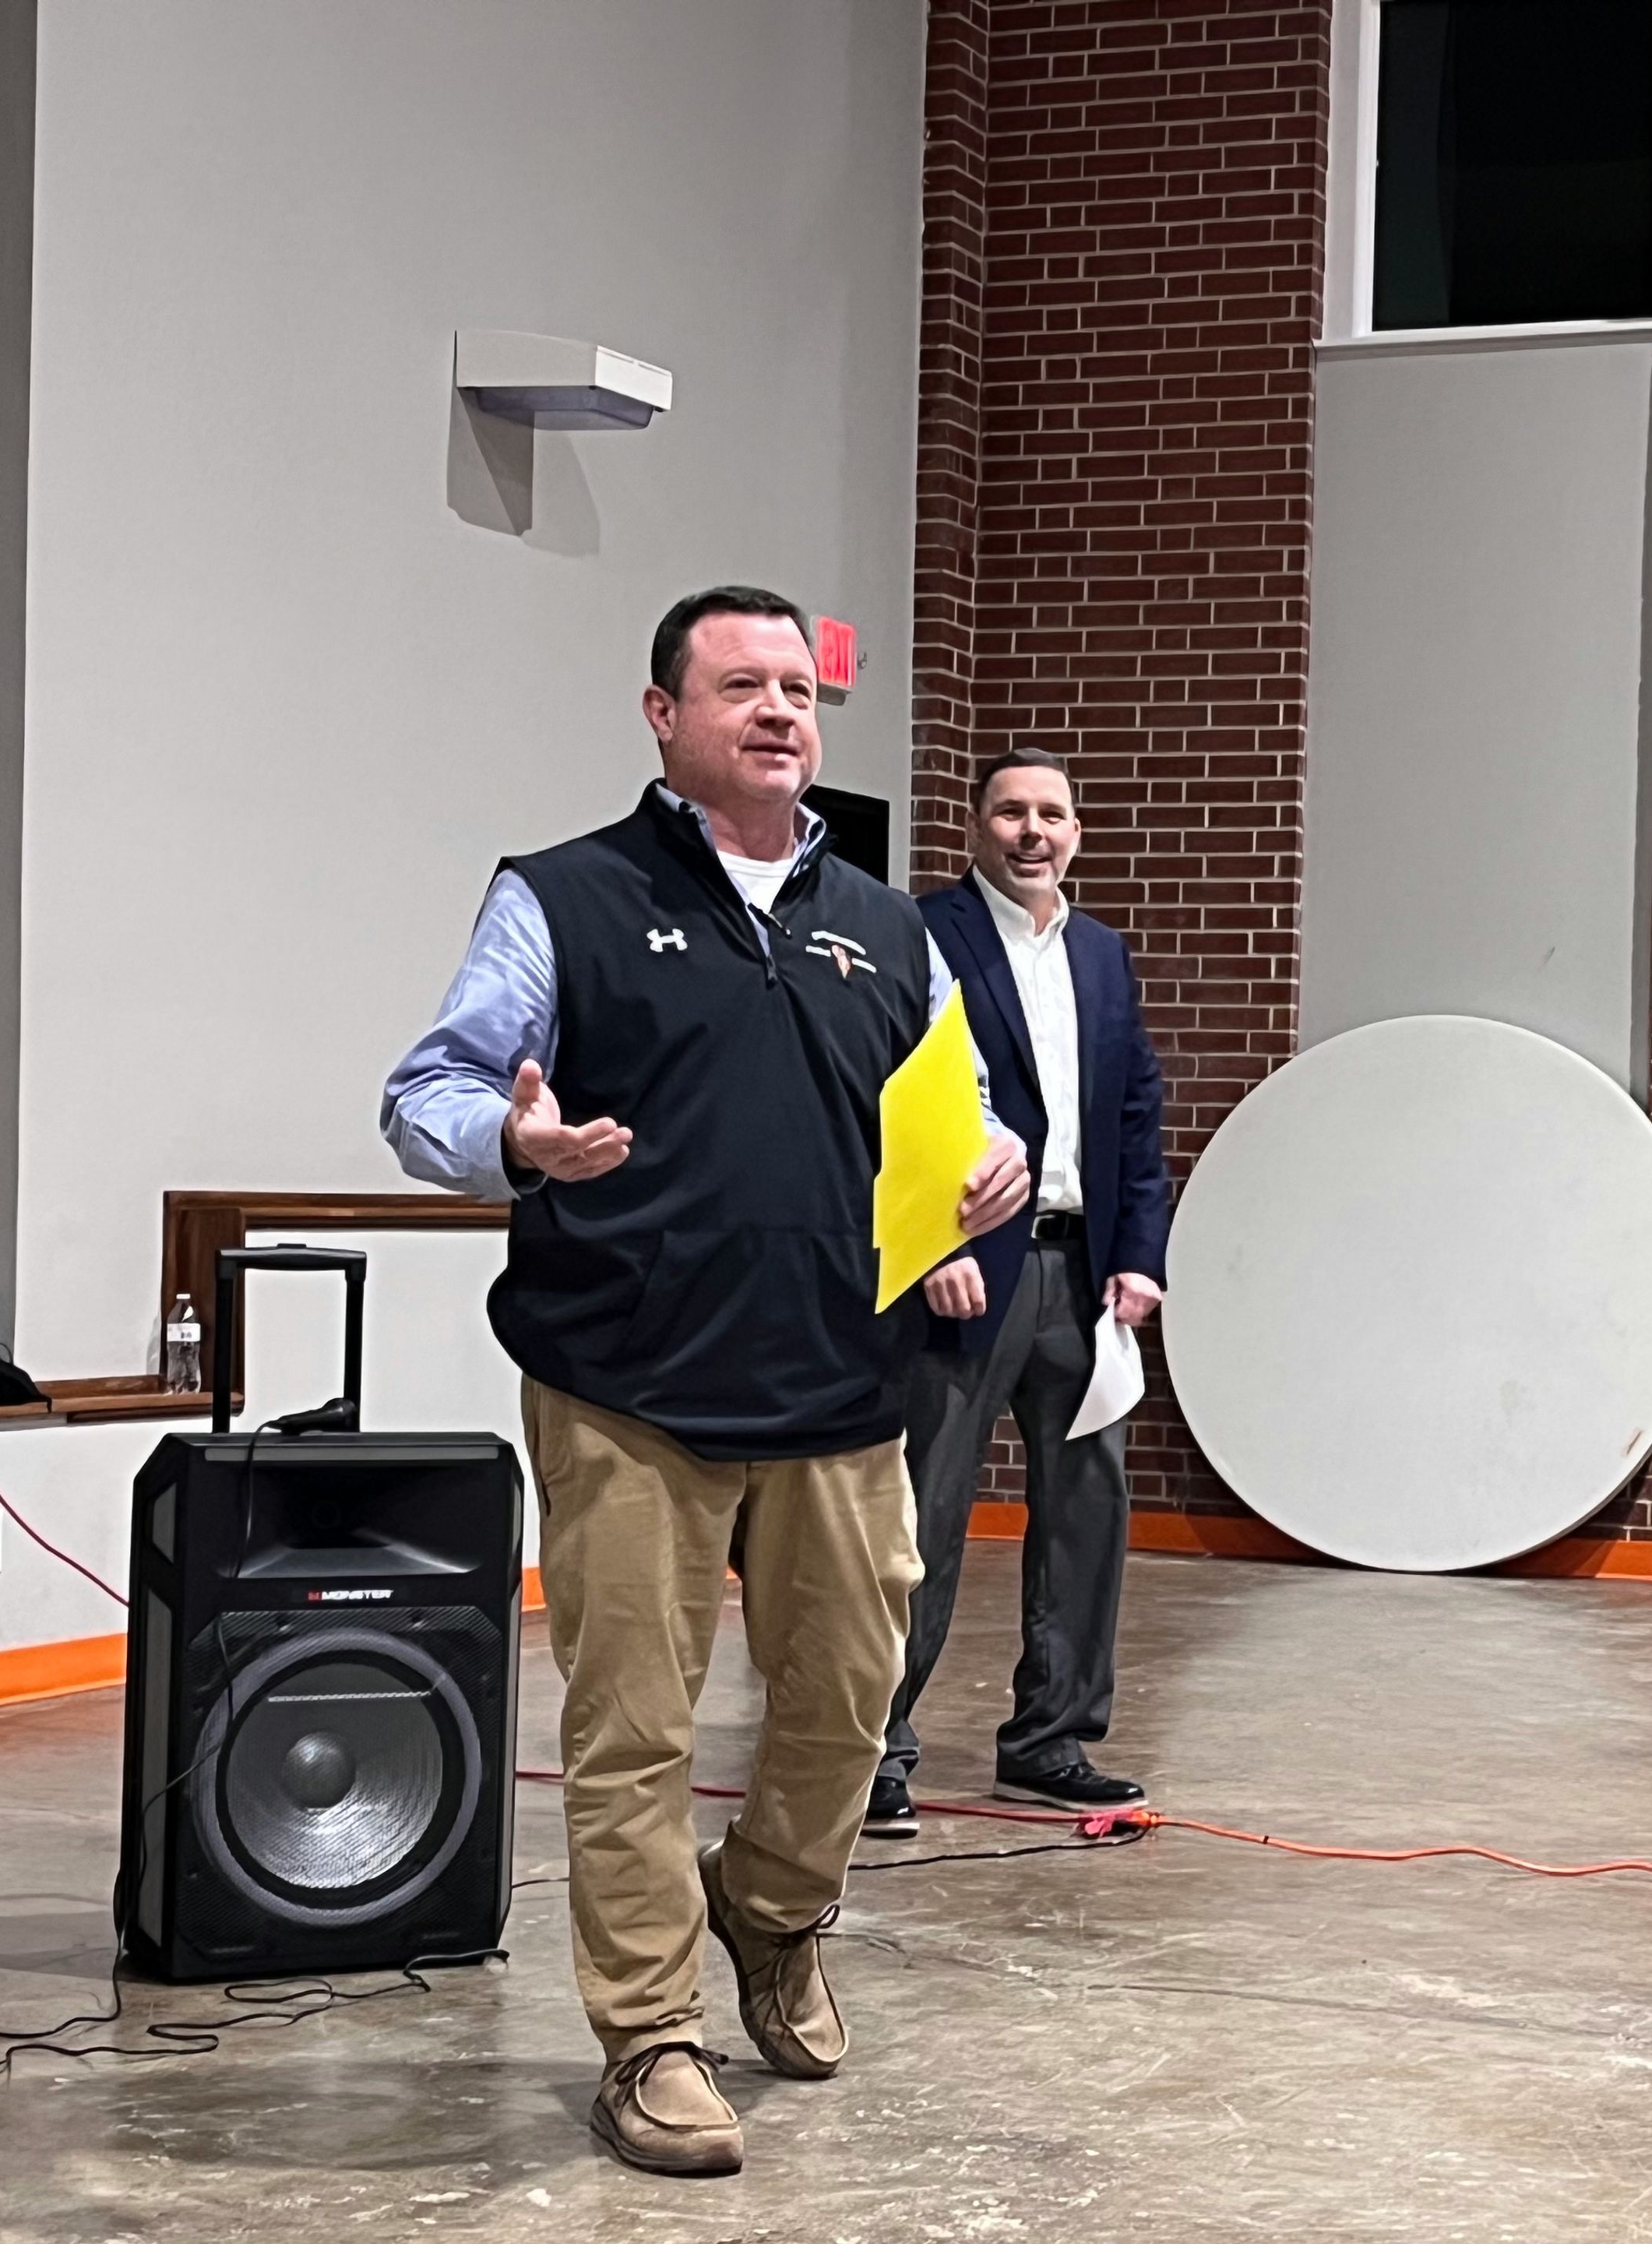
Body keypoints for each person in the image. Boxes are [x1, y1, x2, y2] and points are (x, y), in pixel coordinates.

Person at [379, 586, 1030, 2179]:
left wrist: (995, 1159)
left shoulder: (887, 927)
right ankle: (651, 2036)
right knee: (633, 1733)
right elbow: (431, 1088)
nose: (780, 711)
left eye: (799, 688)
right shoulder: (565, 897)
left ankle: (772, 1908)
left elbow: (963, 1109)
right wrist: (515, 1141)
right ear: (664, 714)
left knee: (849, 1707)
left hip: (840, 1385)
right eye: (741, 685)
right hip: (628, 1388)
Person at [870, 746, 1171, 1837]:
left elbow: (1135, 1112)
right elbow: (895, 1100)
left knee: (1086, 1516)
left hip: (1083, 1277)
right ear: (976, 825)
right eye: (1011, 811)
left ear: (1076, 830)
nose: (1031, 830)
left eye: (1051, 812)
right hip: (962, 1273)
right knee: (923, 1517)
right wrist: (924, 1243)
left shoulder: (1100, 954)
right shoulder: (922, 937)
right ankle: (874, 1753)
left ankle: (1052, 1741)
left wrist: (1142, 1253)